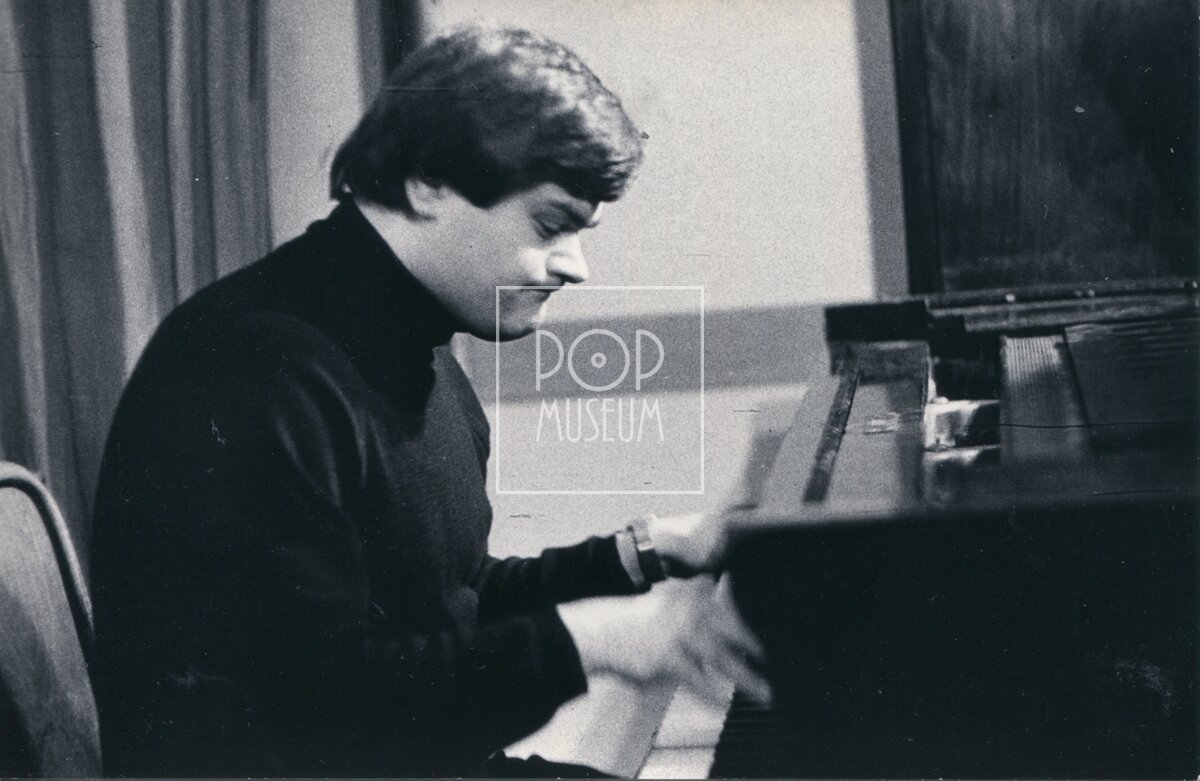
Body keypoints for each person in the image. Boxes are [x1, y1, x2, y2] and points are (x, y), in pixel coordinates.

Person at [91, 25, 767, 778]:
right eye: (551, 225)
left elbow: (449, 600)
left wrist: (648, 550)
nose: (576, 266)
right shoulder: (251, 373)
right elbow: (320, 720)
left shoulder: (417, 348)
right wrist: (596, 641)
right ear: (428, 183)